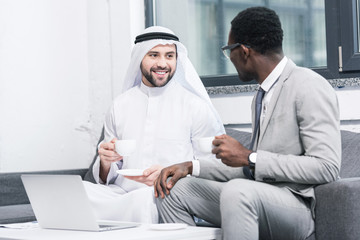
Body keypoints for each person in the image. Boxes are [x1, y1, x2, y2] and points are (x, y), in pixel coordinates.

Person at [154, 7, 341, 240]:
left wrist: (251, 157)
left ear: (243, 51)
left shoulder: (309, 85)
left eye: (228, 50)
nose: (229, 57)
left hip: (295, 207)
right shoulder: (261, 95)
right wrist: (192, 167)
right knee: (172, 190)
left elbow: (327, 167)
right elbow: (248, 170)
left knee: (238, 191)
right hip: (252, 194)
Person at [83, 26, 225, 223]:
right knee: (80, 191)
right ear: (139, 58)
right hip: (122, 194)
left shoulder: (196, 107)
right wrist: (106, 162)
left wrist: (172, 176)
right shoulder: (119, 106)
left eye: (169, 56)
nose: (162, 63)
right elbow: (109, 175)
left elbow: (213, 168)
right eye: (154, 55)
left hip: (169, 195)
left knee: (145, 199)